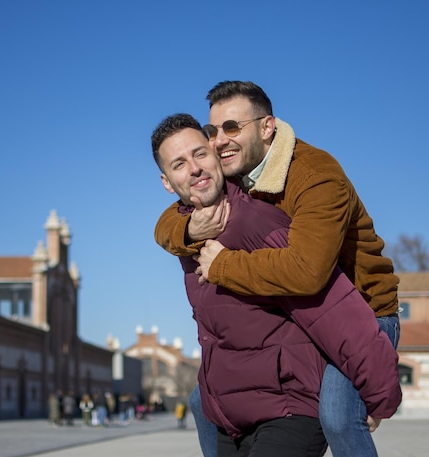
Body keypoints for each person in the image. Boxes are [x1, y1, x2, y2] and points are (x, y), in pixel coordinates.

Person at [154, 82, 401, 457]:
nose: (220, 141)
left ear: (267, 126)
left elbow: (307, 273)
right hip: (314, 312)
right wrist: (188, 231)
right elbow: (175, 214)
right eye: (214, 131)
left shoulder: (316, 176)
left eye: (233, 127)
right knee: (201, 400)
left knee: (336, 414)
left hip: (365, 309)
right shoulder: (232, 171)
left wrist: (223, 265)